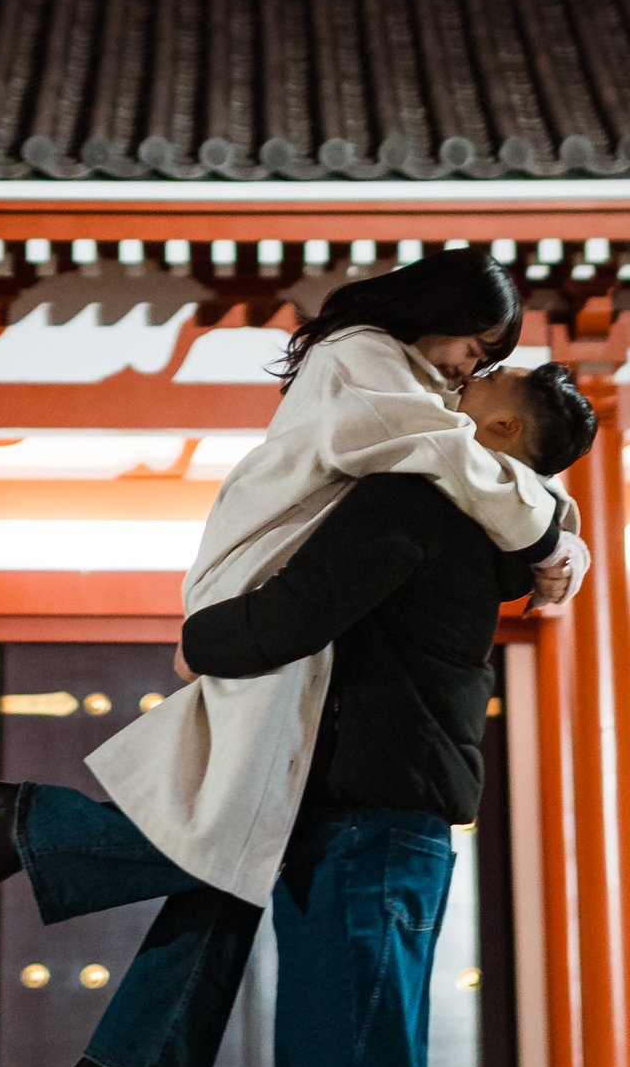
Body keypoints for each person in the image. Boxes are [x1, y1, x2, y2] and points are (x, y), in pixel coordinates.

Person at [0, 351, 599, 1067]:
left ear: (502, 429)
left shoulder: (423, 500)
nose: (454, 383)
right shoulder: (476, 510)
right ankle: (102, 974)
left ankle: (46, 840)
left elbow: (299, 610)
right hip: (357, 811)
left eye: (480, 379)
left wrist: (200, 642)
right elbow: (531, 516)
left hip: (376, 819)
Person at [90, 248, 584, 917]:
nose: (471, 369)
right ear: (440, 313)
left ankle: (46, 833)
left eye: (486, 361)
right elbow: (449, 452)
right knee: (233, 805)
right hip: (261, 563)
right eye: (474, 346)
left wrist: (565, 542)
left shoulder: (420, 387)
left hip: (297, 564)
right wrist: (552, 540)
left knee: (237, 813)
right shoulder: (360, 357)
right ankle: (48, 830)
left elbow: (501, 465)